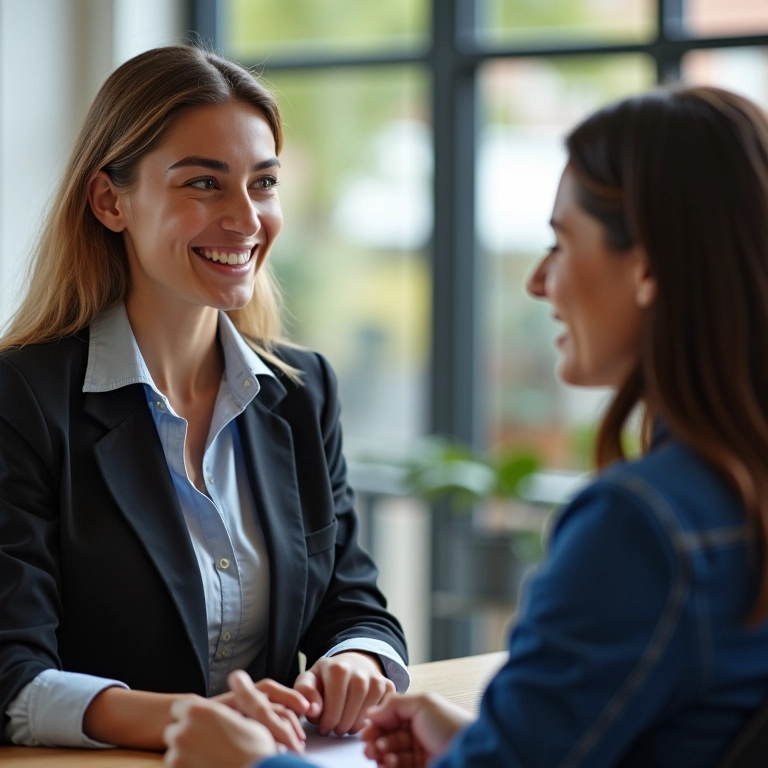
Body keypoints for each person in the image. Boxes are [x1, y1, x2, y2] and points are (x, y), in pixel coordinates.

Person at [163, 84, 768, 768]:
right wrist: (483, 747)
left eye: (561, 243)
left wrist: (250, 764)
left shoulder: (639, 527)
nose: (539, 282)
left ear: (648, 267)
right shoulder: (735, 497)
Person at [0, 45, 408, 752]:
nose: (246, 219)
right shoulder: (22, 401)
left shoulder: (301, 396)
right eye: (203, 184)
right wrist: (182, 720)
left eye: (264, 183)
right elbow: (10, 673)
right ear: (110, 200)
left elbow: (353, 602)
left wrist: (357, 661)